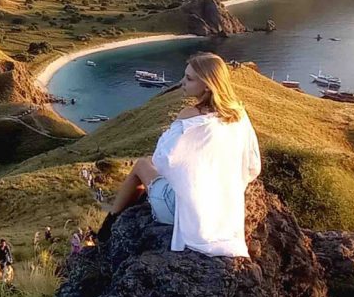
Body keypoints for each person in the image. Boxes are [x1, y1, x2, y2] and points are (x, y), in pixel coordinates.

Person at [100, 52, 261, 258]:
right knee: (150, 165)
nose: (182, 82)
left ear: (208, 85)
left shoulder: (190, 115)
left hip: (181, 210)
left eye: (189, 78)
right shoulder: (238, 114)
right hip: (221, 211)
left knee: (142, 164)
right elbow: (253, 166)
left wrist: (182, 178)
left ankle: (110, 223)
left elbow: (162, 158)